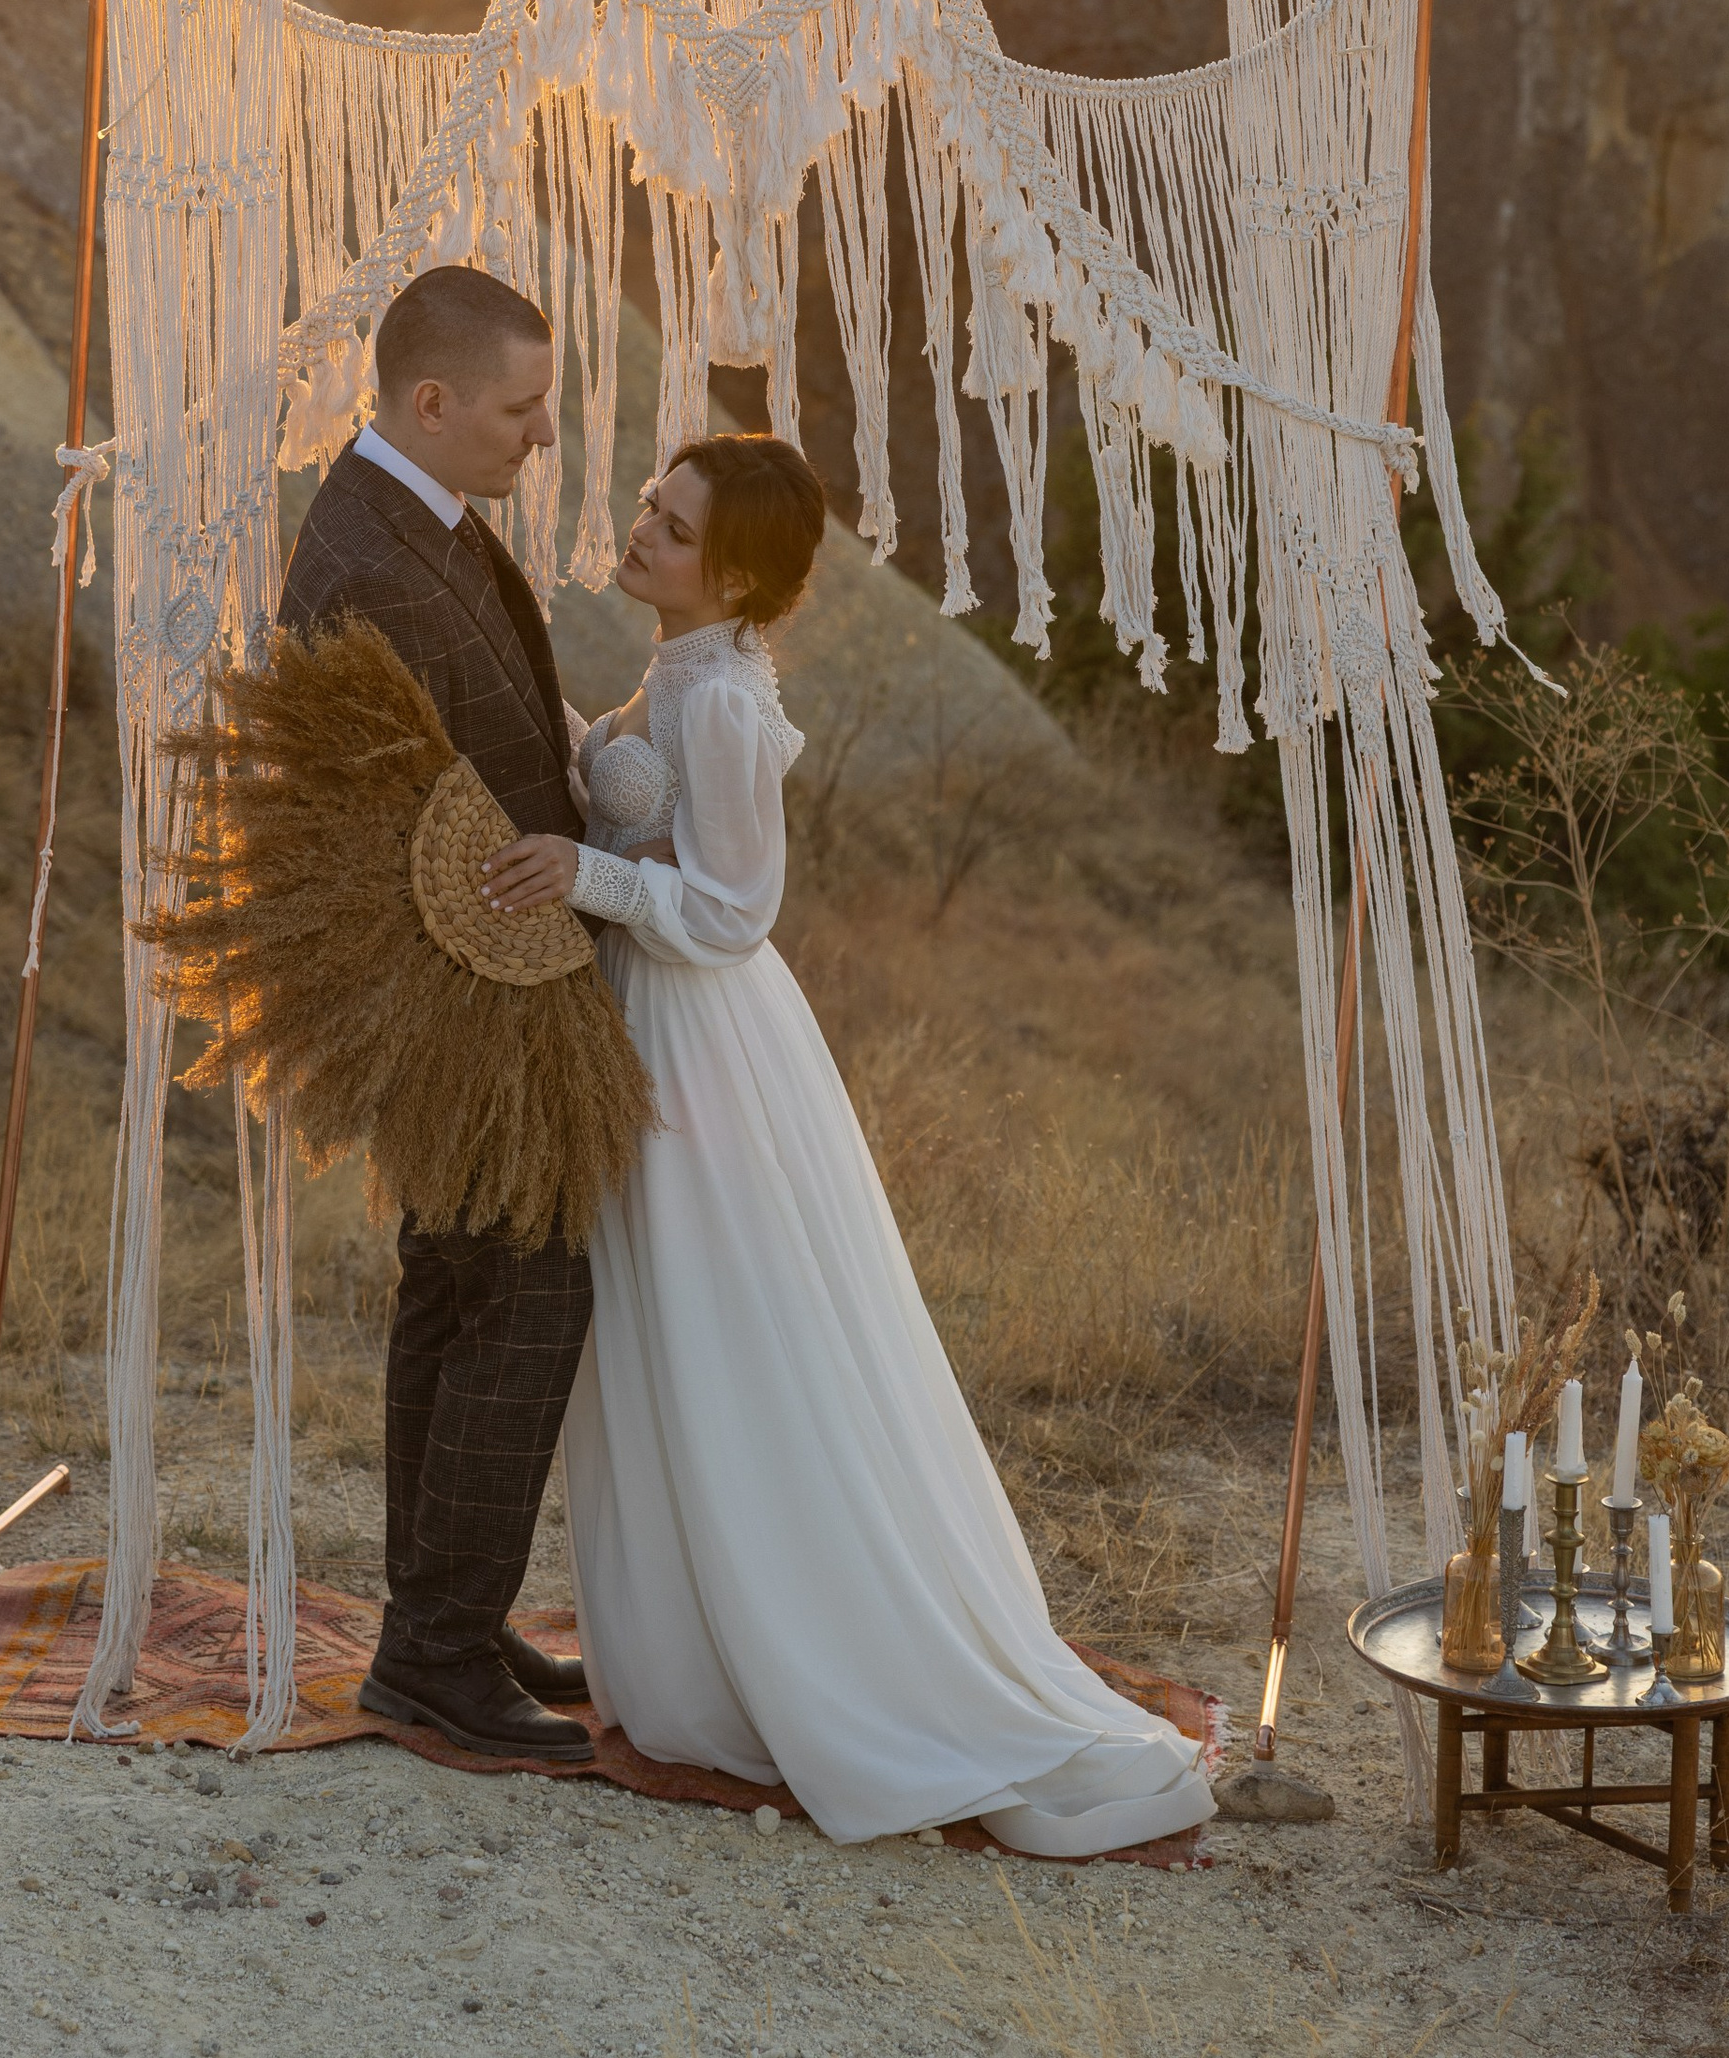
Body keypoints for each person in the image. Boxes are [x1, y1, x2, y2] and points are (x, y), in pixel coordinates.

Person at [482, 432, 1217, 1858]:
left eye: (674, 526)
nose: (642, 529)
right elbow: (637, 784)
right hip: (656, 1014)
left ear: (739, 570)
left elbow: (734, 907)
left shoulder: (727, 704)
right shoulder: (687, 665)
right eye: (650, 503)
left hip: (701, 1030)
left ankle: (815, 1649)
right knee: (671, 1337)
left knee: (723, 1333)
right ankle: (698, 1634)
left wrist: (581, 868)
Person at [277, 260, 598, 1767]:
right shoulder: (373, 561)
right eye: (522, 407)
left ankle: (441, 1619)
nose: (543, 432)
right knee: (523, 1298)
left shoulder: (419, 517)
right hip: (464, 993)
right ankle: (433, 1652)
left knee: (458, 1288)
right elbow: (377, 821)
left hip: (493, 976)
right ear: (433, 401)